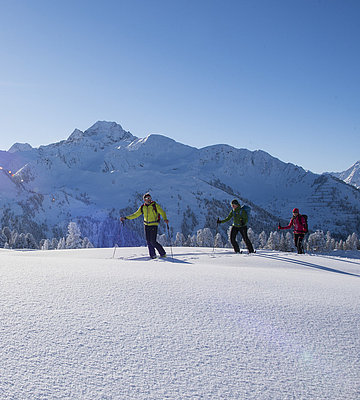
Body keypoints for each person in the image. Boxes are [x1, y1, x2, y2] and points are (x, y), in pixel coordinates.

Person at [120, 193, 169, 259]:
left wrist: (165, 219)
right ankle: (152, 256)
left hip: (154, 225)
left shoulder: (155, 205)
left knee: (153, 241)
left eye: (149, 198)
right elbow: (135, 215)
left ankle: (163, 253)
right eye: (147, 198)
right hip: (146, 225)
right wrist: (126, 218)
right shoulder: (143, 207)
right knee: (148, 241)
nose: (148, 200)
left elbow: (162, 212)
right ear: (144, 200)